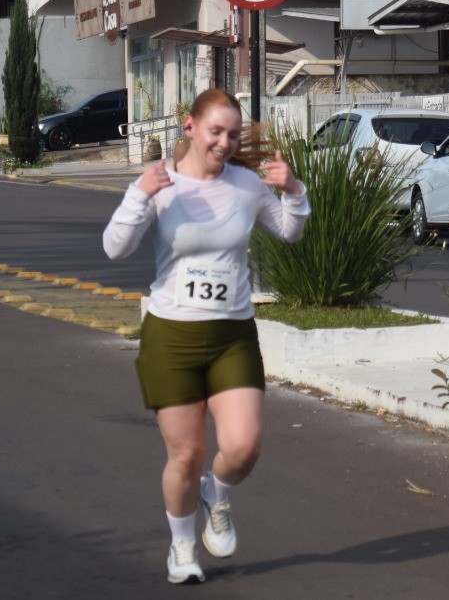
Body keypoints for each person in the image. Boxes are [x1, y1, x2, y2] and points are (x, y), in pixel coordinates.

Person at [103, 88, 309, 584]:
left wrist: (294, 191)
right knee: (186, 454)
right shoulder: (164, 185)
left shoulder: (245, 185)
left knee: (242, 448)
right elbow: (115, 248)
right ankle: (181, 546)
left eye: (233, 134)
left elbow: (289, 231)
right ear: (190, 128)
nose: (225, 142)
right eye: (215, 131)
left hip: (232, 336)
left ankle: (217, 494)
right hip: (171, 336)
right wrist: (139, 194)